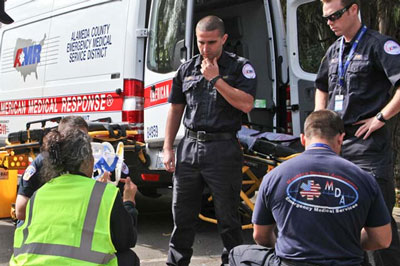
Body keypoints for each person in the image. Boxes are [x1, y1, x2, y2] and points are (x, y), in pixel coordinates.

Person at [229, 110, 392, 266]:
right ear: (341, 139)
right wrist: (345, 244)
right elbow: (382, 240)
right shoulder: (365, 179)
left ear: (302, 139)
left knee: (237, 253)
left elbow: (261, 236)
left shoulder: (274, 176)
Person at [162, 15, 257, 266]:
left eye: (211, 42)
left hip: (222, 147)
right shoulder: (187, 69)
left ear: (224, 39)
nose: (205, 48)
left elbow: (246, 103)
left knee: (228, 219)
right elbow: (176, 109)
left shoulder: (239, 67)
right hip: (190, 147)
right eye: (201, 42)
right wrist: (167, 147)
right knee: (182, 217)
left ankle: (233, 262)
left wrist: (216, 80)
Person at [314, 0, 400, 264]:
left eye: (335, 16)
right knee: (342, 218)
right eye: (326, 18)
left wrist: (380, 118)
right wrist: (320, 122)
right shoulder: (333, 50)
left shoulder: (379, 45)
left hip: (368, 146)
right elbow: (321, 87)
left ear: (353, 9)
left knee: (379, 223)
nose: (330, 22)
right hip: (336, 144)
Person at [10, 129, 140, 266]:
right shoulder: (106, 193)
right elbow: (126, 240)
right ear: (87, 161)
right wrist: (129, 202)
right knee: (128, 258)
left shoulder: (39, 194)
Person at [15, 116, 89, 221]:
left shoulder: (87, 161)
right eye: (75, 138)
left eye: (84, 139)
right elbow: (21, 211)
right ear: (61, 137)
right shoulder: (42, 163)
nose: (81, 144)